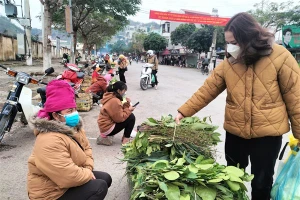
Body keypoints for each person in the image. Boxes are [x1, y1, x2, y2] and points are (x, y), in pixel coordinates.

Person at [175, 12, 300, 200]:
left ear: (248, 38)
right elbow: (208, 89)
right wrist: (184, 112)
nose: (230, 47)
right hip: (235, 133)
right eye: (228, 42)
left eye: (233, 42)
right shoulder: (230, 62)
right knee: (232, 181)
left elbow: (295, 97)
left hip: (267, 136)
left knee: (261, 182)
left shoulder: (281, 56)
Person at [27, 80, 112, 200]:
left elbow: (87, 149)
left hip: (65, 181)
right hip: (50, 193)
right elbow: (67, 176)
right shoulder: (48, 140)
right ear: (56, 115)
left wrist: (87, 169)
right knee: (99, 186)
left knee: (105, 178)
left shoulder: (74, 127)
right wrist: (88, 173)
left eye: (74, 109)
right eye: (69, 111)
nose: (75, 114)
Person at [97, 81, 136, 146]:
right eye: (124, 91)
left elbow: (120, 111)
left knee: (129, 116)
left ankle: (125, 137)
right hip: (107, 128)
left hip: (104, 126)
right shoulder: (114, 101)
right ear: (118, 90)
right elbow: (120, 118)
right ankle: (126, 139)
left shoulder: (110, 96)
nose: (124, 93)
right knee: (131, 117)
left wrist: (127, 103)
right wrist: (129, 110)